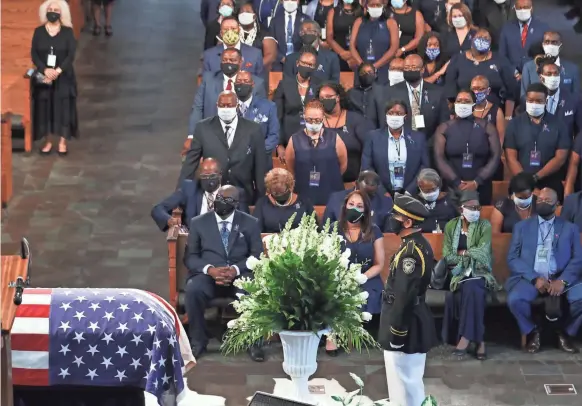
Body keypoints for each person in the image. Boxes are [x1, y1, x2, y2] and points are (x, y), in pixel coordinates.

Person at [185, 185, 265, 361]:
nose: (221, 202)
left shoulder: (250, 223)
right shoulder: (198, 222)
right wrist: (211, 270)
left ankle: (254, 343)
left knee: (253, 290)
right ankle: (198, 342)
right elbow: (191, 257)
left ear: (236, 203)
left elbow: (257, 255)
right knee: (193, 290)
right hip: (209, 276)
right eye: (219, 198)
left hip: (239, 275)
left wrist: (235, 269)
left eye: (226, 200)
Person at [378, 193, 438, 406]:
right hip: (408, 319)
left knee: (405, 383)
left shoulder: (410, 253)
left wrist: (397, 333)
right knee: (403, 383)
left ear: (408, 222)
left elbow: (404, 295)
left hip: (407, 323)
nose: (392, 218)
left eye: (396, 216)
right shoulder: (414, 245)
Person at [506, 187, 582, 354]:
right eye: (539, 200)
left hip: (560, 277)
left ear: (557, 205)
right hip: (530, 278)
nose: (542, 203)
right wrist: (534, 278)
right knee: (515, 300)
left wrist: (563, 281)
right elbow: (512, 258)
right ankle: (533, 331)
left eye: (547, 201)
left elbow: (578, 259)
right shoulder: (522, 227)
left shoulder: (570, 228)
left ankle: (564, 332)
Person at [326, 189, 385, 355]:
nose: (354, 208)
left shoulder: (374, 231)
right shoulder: (333, 229)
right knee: (333, 292)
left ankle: (351, 335)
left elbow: (379, 264)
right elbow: (327, 258)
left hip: (367, 277)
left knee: (361, 293)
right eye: (351, 204)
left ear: (365, 210)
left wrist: (361, 277)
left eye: (359, 206)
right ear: (345, 206)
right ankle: (333, 336)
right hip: (339, 276)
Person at [179, 91, 267, 203]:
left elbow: (260, 168)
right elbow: (190, 165)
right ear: (217, 106)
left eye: (229, 105)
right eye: (222, 105)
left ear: (237, 106)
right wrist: (179, 196)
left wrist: (261, 200)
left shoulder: (254, 129)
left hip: (244, 197)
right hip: (212, 196)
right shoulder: (203, 128)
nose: (225, 109)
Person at [441, 190, 497, 360]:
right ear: (461, 209)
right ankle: (479, 340)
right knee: (472, 289)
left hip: (481, 272)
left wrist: (462, 252)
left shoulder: (484, 225)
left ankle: (465, 338)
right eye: (471, 207)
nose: (475, 211)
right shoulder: (451, 226)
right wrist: (468, 255)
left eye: (478, 207)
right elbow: (448, 256)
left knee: (473, 287)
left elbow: (483, 254)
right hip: (458, 274)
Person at [503, 83, 571, 202]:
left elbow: (560, 157)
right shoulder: (515, 124)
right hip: (520, 182)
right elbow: (511, 158)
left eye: (539, 101)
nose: (534, 104)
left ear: (546, 101)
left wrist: (536, 177)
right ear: (526, 100)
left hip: (550, 182)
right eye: (531, 100)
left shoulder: (559, 124)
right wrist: (525, 183)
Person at [433, 89, 501, 204]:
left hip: (481, 186)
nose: (462, 104)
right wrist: (456, 182)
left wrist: (477, 181)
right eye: (459, 101)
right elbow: (439, 157)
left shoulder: (487, 127)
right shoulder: (444, 128)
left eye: (466, 101)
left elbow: (495, 156)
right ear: (454, 104)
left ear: (474, 105)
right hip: (452, 187)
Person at [151, 158, 249, 231]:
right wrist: (169, 220)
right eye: (204, 176)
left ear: (220, 175)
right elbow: (158, 209)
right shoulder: (189, 189)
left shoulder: (235, 193)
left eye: (212, 176)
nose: (208, 180)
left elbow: (246, 225)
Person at [33, 0, 78, 156]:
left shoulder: (67, 32)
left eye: (56, 9)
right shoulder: (38, 31)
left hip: (64, 76)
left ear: (62, 13)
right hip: (45, 77)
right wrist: (45, 70)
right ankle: (47, 141)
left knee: (63, 108)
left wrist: (57, 71)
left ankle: (62, 142)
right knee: (45, 108)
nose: (52, 12)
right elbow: (34, 54)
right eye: (50, 9)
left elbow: (70, 55)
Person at [188, 48, 267, 135]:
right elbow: (197, 108)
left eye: (232, 60)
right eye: (224, 60)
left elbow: (260, 114)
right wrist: (192, 136)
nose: (228, 63)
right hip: (211, 135)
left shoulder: (256, 83)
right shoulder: (208, 80)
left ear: (241, 62)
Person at [444, 28, 518, 120]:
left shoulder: (501, 60)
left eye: (486, 38)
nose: (482, 40)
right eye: (479, 37)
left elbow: (511, 91)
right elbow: (450, 91)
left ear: (491, 42)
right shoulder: (457, 60)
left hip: (494, 113)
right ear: (472, 40)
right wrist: (452, 115)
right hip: (463, 113)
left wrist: (508, 117)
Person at [284, 99, 348, 205]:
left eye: (317, 120)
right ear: (304, 117)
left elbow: (343, 164)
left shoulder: (335, 138)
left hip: (331, 189)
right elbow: (290, 167)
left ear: (323, 118)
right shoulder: (294, 139)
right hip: (304, 190)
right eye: (310, 119)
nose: (313, 123)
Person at [373, 54, 450, 138]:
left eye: (413, 67)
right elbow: (384, 122)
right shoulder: (391, 91)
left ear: (422, 70)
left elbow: (443, 123)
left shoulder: (437, 92)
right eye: (406, 68)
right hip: (399, 143)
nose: (410, 70)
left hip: (429, 144)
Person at [362, 100, 430, 195]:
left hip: (411, 193)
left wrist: (410, 191)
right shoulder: (373, 137)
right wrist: (382, 191)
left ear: (405, 117)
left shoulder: (418, 138)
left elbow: (425, 166)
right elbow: (367, 167)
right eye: (390, 113)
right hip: (381, 193)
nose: (394, 116)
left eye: (399, 113)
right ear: (386, 116)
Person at [316, 82, 374, 182]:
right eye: (322, 98)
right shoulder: (315, 121)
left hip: (353, 182)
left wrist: (363, 177)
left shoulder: (355, 119)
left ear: (338, 97)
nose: (325, 100)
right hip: (323, 182)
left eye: (329, 96)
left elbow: (370, 148)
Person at [274, 47, 322, 149]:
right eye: (304, 63)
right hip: (289, 137)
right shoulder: (284, 84)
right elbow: (277, 116)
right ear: (297, 63)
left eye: (310, 65)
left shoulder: (319, 85)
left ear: (314, 67)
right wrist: (279, 144)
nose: (306, 66)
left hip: (315, 138)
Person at [234, 72, 279, 172]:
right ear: (234, 84)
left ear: (253, 84)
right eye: (239, 81)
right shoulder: (228, 105)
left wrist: (256, 152)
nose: (242, 84)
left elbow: (273, 136)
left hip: (260, 163)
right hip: (234, 165)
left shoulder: (268, 107)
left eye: (246, 81)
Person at [528, 57, 582, 138]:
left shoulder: (574, 100)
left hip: (566, 148)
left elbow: (580, 132)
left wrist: (575, 149)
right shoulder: (531, 101)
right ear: (541, 77)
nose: (553, 77)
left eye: (555, 73)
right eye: (549, 74)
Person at [350, 0, 400, 85]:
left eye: (378, 5)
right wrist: (362, 66)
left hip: (383, 70)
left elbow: (394, 48)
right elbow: (352, 46)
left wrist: (374, 67)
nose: (375, 7)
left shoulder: (391, 23)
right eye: (372, 5)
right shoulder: (359, 22)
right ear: (367, 6)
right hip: (362, 71)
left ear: (383, 6)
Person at [323, 170, 394, 229]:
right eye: (363, 193)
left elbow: (389, 236)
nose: (365, 198)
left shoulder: (386, 203)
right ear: (356, 184)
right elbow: (325, 228)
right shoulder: (336, 199)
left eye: (370, 195)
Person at [498, 0, 549, 78]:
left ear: (531, 8)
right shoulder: (506, 28)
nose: (522, 10)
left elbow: (547, 55)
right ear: (515, 9)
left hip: (536, 77)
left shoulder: (543, 28)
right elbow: (502, 55)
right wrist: (514, 72)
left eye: (525, 7)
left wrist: (532, 73)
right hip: (513, 78)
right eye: (519, 8)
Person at [253, 168, 315, 232]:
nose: (279, 195)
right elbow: (255, 230)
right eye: (275, 193)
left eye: (282, 192)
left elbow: (315, 228)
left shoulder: (304, 202)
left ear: (290, 187)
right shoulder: (262, 203)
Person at [520, 31, 580, 97]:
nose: (550, 45)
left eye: (554, 42)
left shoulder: (572, 69)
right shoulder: (529, 67)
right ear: (543, 45)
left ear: (560, 46)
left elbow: (576, 97)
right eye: (547, 42)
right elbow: (523, 96)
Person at [268, 0, 309, 71]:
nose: (290, 1)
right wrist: (281, 58)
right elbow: (271, 43)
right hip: (279, 64)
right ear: (282, 1)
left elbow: (308, 43)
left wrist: (298, 58)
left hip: (300, 63)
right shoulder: (275, 21)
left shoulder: (306, 20)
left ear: (298, 1)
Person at [237, 2, 278, 72]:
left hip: (258, 71)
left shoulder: (264, 32)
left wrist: (252, 66)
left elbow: (271, 56)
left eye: (248, 11)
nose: (244, 14)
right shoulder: (232, 30)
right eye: (241, 12)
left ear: (254, 16)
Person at [414, 168, 457, 233]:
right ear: (420, 187)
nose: (430, 193)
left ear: (439, 185)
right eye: (426, 190)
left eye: (433, 189)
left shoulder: (450, 201)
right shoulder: (414, 203)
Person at [326, 0, 363, 72]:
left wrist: (353, 55)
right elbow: (329, 38)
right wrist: (342, 53)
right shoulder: (333, 11)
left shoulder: (363, 11)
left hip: (358, 56)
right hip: (338, 54)